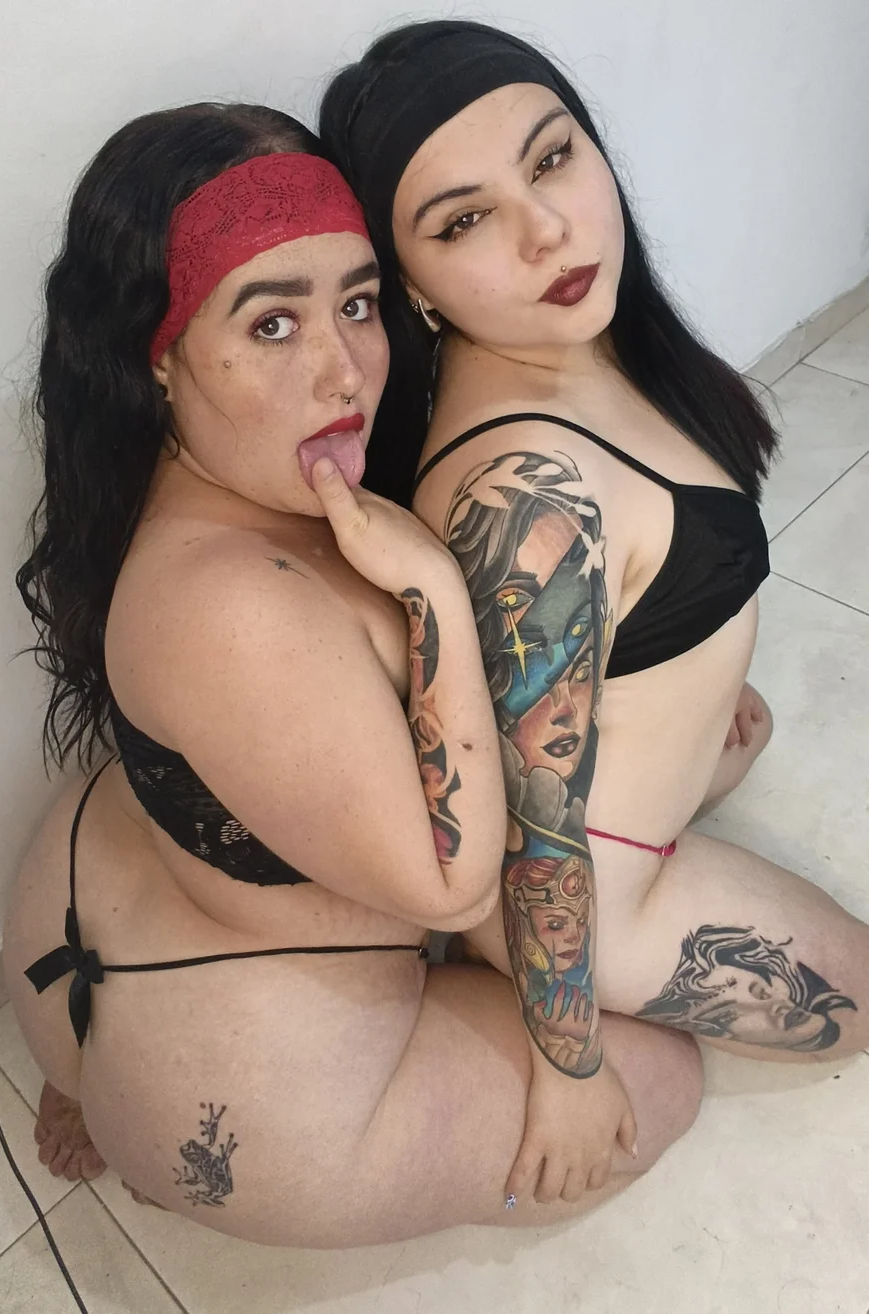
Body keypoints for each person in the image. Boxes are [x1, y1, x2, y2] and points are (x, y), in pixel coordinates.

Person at [3, 101, 701, 1247]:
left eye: (359, 303)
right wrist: (431, 590)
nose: (344, 373)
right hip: (248, 1123)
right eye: (273, 323)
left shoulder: (196, 487)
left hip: (83, 961)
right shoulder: (235, 607)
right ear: (157, 356)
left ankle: (91, 1091)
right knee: (666, 1075)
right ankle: (129, 1123)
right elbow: (455, 892)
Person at [319, 18, 869, 1204]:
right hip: (593, 894)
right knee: (858, 1007)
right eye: (462, 222)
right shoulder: (531, 497)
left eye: (553, 157)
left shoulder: (582, 342)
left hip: (621, 811)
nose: (547, 231)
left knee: (751, 730)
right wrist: (565, 1067)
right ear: (406, 283)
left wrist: (688, 681)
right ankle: (488, 982)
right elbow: (539, 842)